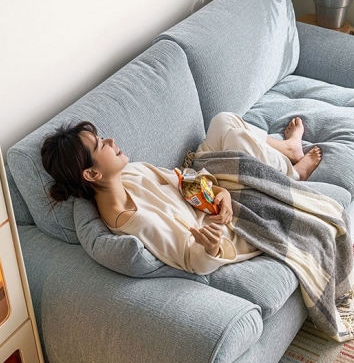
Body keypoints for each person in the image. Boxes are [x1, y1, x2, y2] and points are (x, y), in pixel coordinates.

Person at [40, 112, 322, 275]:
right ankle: (294, 174)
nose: (111, 140)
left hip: (207, 196)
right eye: (101, 144)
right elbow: (190, 257)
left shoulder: (130, 173)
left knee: (223, 121)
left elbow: (184, 179)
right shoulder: (135, 221)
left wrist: (219, 190)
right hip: (220, 222)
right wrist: (211, 247)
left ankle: (288, 149)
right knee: (237, 139)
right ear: (92, 174)